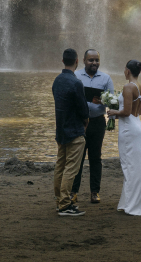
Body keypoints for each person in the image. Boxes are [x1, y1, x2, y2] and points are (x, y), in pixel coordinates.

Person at [105, 59, 141, 215]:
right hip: (137, 126)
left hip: (128, 130)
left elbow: (126, 112)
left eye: (124, 68)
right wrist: (119, 114)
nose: (123, 71)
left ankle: (133, 204)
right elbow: (139, 112)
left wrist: (113, 112)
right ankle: (138, 201)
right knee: (138, 165)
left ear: (128, 71)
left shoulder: (127, 87)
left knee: (129, 166)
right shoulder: (140, 87)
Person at [71, 48, 114, 205]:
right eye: (91, 60)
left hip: (97, 122)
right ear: (83, 61)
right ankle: (73, 192)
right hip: (79, 123)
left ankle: (94, 192)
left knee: (96, 158)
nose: (94, 62)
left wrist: (104, 102)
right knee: (77, 158)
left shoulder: (106, 78)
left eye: (96, 60)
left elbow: (113, 102)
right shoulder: (75, 76)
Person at [51, 48, 89, 216]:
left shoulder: (57, 81)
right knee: (71, 169)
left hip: (61, 131)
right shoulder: (76, 83)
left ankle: (59, 200)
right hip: (74, 131)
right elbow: (84, 111)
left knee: (60, 166)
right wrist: (85, 124)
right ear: (77, 61)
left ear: (62, 61)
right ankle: (65, 205)